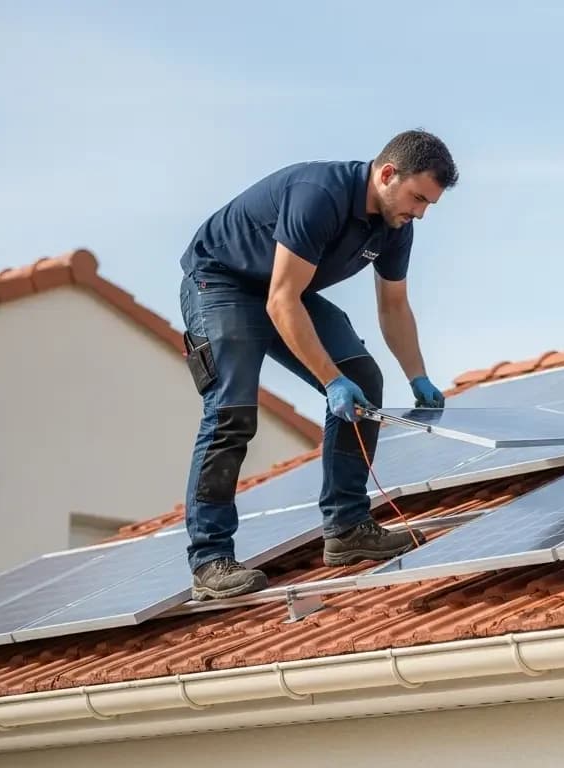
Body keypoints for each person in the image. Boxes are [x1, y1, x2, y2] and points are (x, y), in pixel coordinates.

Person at [176, 129, 457, 600]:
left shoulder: (395, 227)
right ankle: (210, 559)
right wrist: (330, 380)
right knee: (231, 412)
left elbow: (393, 307)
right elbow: (282, 301)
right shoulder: (319, 196)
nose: (420, 213)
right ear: (388, 174)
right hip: (222, 283)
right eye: (417, 198)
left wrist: (418, 376)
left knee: (364, 378)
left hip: (283, 291)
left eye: (429, 204)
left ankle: (347, 528)